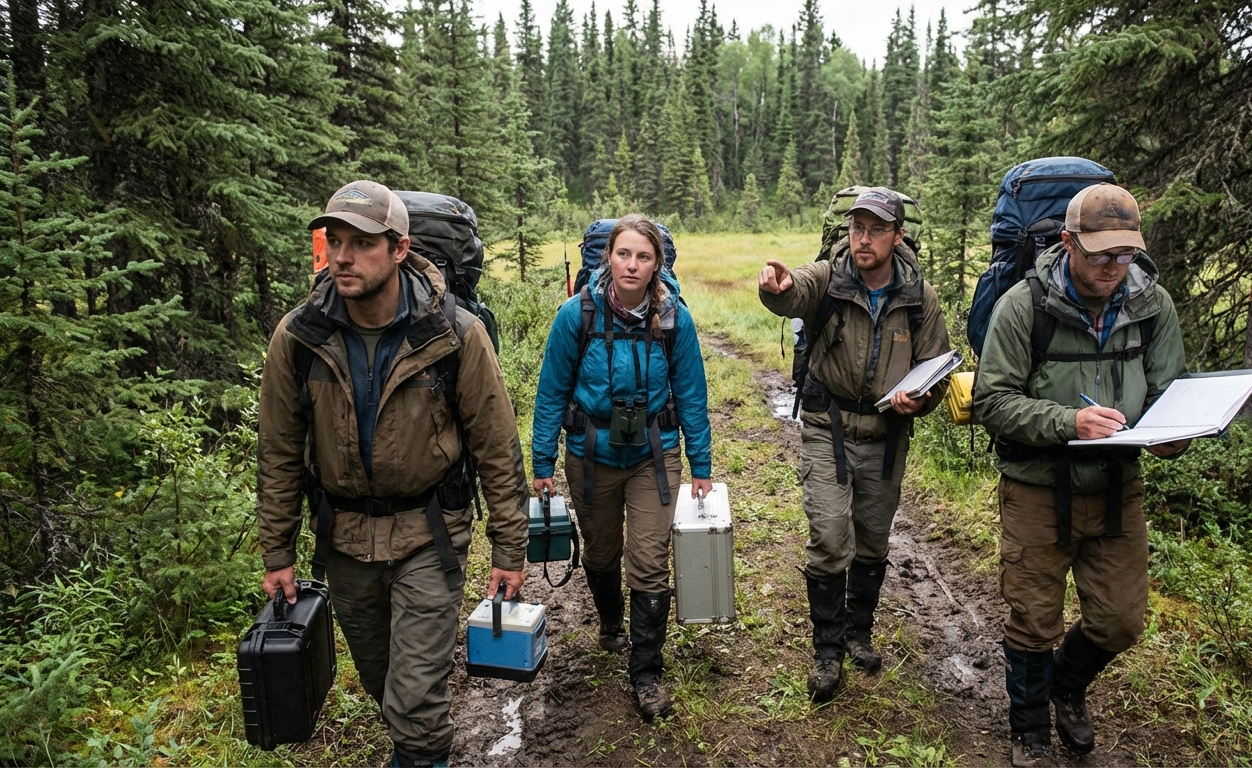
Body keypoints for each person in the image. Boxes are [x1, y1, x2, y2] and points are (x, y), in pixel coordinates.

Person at [257, 181, 529, 768]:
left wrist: (510, 547)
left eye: (362, 243)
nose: (343, 257)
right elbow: (278, 451)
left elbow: (496, 446)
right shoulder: (300, 336)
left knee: (412, 704)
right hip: (345, 540)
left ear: (400, 249)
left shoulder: (454, 333)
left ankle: (421, 749)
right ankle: (417, 746)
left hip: (430, 534)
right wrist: (276, 551)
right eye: (335, 241)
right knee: (384, 687)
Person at [972, 183, 1189, 766]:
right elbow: (993, 401)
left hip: (1120, 487)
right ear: (1068, 242)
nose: (1114, 268)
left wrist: (1175, 433)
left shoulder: (1152, 306)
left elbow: (1169, 391)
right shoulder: (1024, 306)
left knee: (1121, 621)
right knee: (1033, 616)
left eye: (1125, 254)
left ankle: (1067, 687)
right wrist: (1069, 421)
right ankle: (1030, 727)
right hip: (1038, 487)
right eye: (1099, 254)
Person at [758, 187, 951, 703]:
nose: (863, 239)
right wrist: (776, 288)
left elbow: (939, 366)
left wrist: (923, 399)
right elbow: (794, 290)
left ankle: (857, 632)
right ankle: (827, 651)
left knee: (872, 540)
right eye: (857, 228)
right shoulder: (830, 276)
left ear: (897, 236)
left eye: (875, 230)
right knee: (828, 533)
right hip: (829, 427)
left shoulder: (919, 297)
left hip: (888, 435)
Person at [531, 214, 713, 723]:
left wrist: (701, 464)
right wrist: (542, 460)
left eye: (644, 256)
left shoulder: (675, 317)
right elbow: (551, 392)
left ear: (658, 265)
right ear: (608, 257)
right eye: (623, 254)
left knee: (650, 561)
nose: (632, 265)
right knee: (602, 551)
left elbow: (693, 396)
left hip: (654, 455)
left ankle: (646, 671)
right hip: (590, 456)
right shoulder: (577, 315)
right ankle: (611, 621)